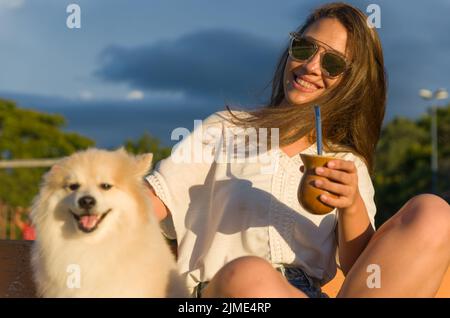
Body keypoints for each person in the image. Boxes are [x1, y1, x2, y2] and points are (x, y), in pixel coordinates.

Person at [145, 2, 450, 297]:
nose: (311, 66)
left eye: (332, 63)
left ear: (351, 83)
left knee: (435, 213)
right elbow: (147, 202)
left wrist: (351, 204)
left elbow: (365, 274)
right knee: (250, 276)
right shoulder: (225, 130)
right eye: (304, 48)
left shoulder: (347, 164)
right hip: (224, 293)